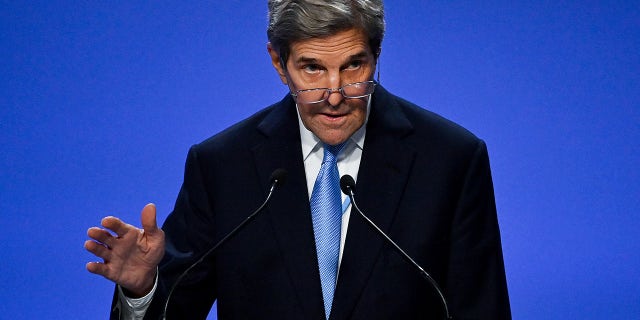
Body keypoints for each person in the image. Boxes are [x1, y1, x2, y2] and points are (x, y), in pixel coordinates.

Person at [85, 1, 511, 319]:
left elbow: (482, 309)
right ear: (278, 63)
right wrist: (142, 291)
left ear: (376, 57)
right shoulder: (223, 166)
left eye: (353, 66)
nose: (334, 93)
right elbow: (177, 307)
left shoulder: (450, 159)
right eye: (311, 68)